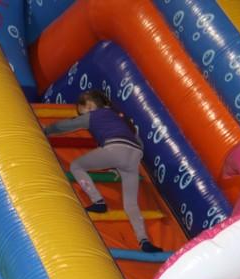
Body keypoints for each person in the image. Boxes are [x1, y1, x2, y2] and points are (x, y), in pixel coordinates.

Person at [44, 90, 163, 253]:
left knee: (76, 166)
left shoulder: (93, 115)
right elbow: (137, 142)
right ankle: (144, 241)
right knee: (131, 204)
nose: (82, 115)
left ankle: (98, 201)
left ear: (89, 106)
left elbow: (65, 126)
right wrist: (117, 165)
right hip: (135, 155)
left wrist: (47, 130)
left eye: (82, 112)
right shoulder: (119, 117)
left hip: (115, 148)